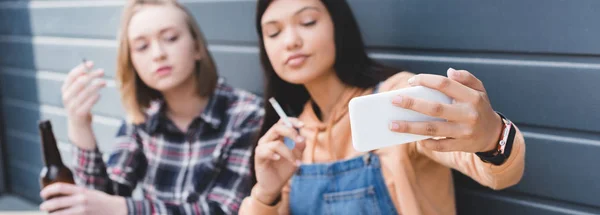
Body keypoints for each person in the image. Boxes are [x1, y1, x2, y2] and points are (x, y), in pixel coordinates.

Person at [240, 0, 526, 214]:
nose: (290, 41)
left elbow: (498, 175)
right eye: (274, 32)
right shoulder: (290, 134)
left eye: (307, 22)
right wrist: (266, 194)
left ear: (338, 26)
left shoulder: (397, 97)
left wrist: (492, 138)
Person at [39, 0, 263, 214]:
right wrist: (80, 125)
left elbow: (226, 210)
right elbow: (104, 199)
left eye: (170, 38)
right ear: (132, 62)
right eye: (142, 46)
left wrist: (124, 209)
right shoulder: (141, 117)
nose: (158, 54)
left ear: (197, 47)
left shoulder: (246, 115)